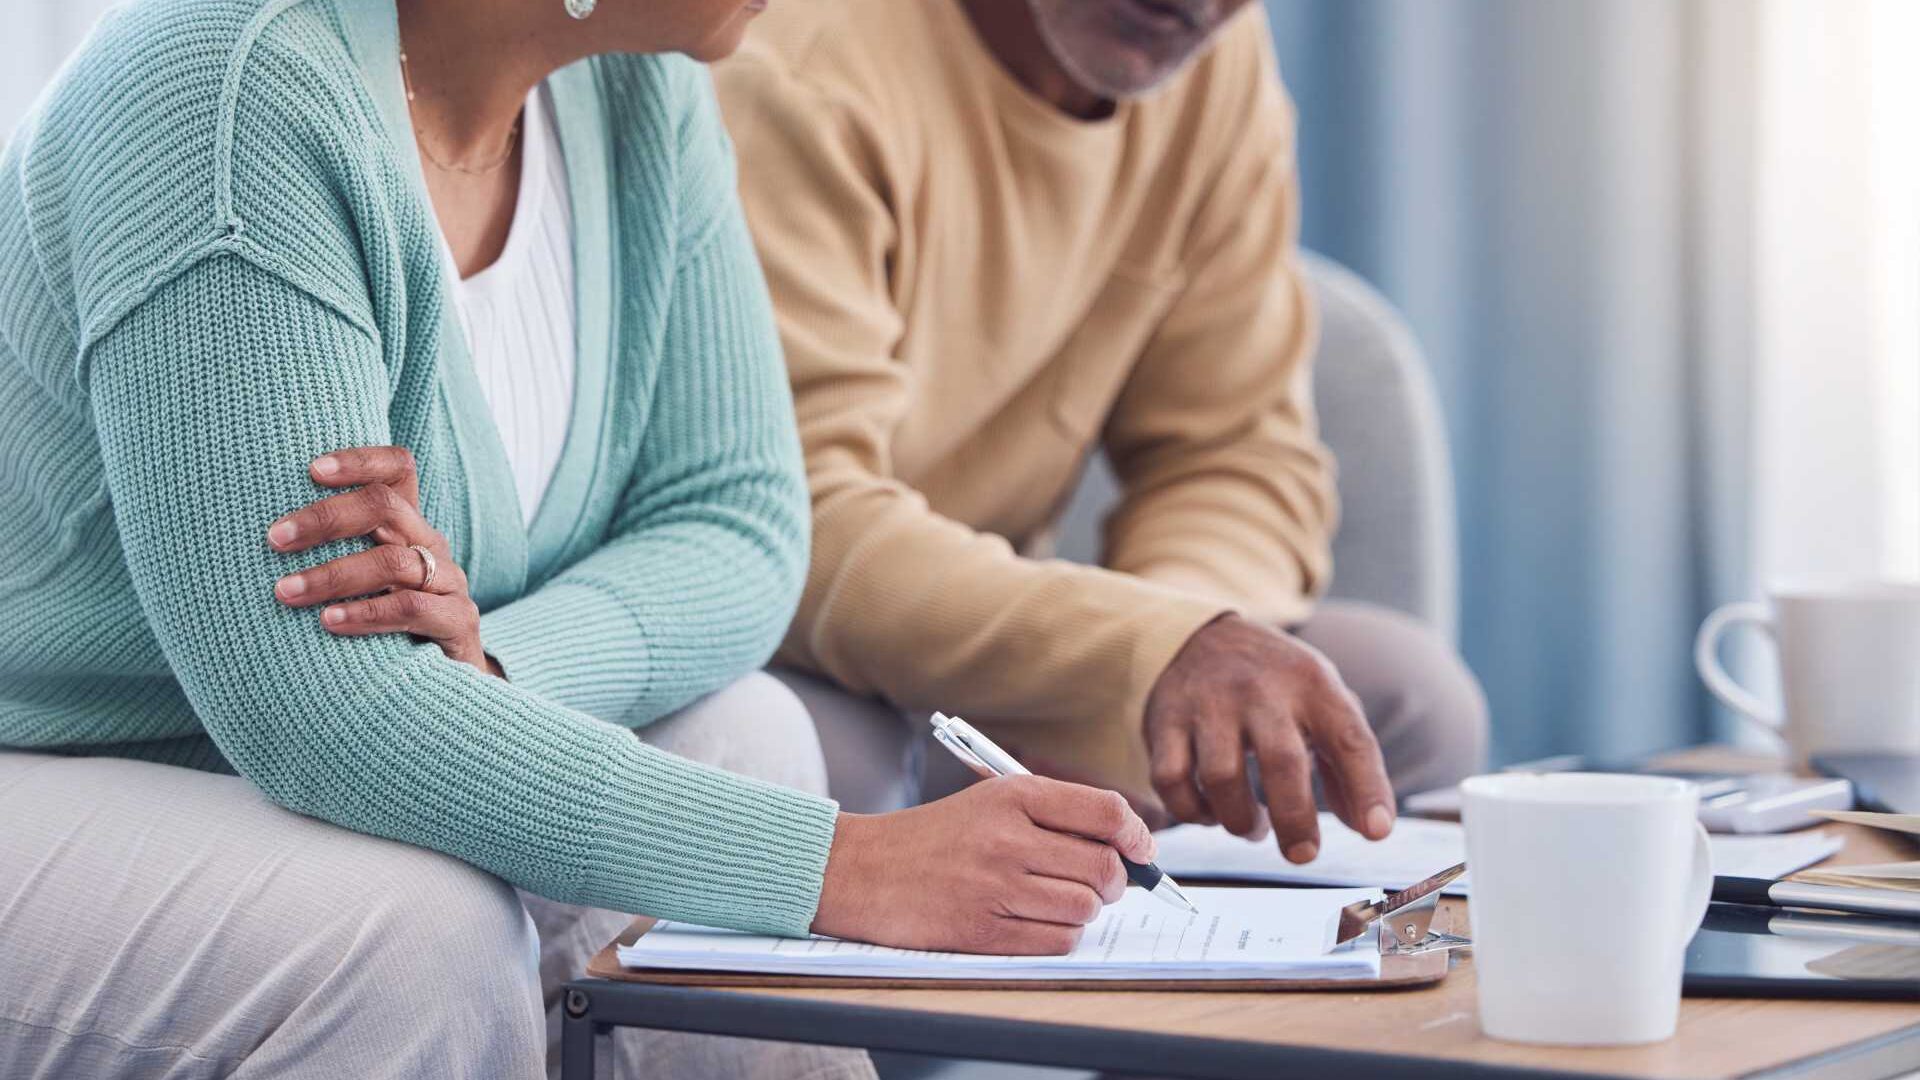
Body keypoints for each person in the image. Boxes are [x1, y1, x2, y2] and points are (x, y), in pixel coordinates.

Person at [0, 0, 1158, 1076]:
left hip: (259, 749)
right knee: (412, 939)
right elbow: (319, 712)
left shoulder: (637, 88)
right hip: (45, 765)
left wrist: (496, 667)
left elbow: (739, 524)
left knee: (746, 730)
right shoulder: (221, 92)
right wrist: (841, 868)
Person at [716, 0, 1491, 851]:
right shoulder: (801, 66)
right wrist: (1140, 655)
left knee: (1410, 703)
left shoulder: (1212, 63)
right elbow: (800, 530)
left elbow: (1234, 455)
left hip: (998, 642)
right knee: (838, 766)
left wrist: (1169, 664)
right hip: (793, 649)